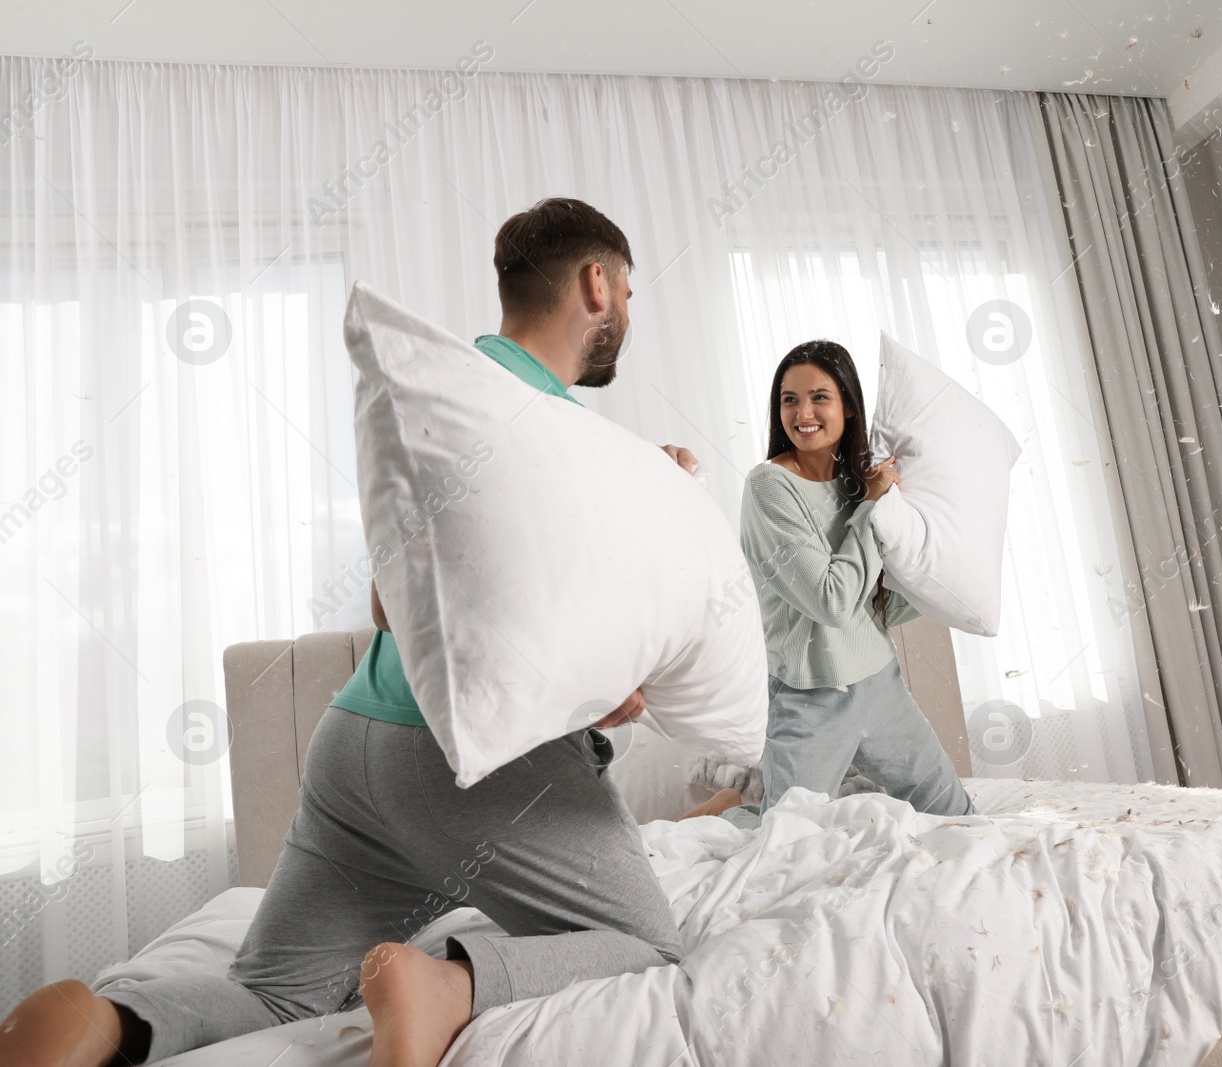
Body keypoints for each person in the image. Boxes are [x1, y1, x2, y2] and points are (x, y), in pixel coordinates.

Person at [0, 198, 702, 1067]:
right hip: (469, 763)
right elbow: (424, 603)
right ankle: (445, 984)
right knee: (651, 946)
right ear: (598, 282)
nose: (628, 312)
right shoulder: (543, 424)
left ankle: (108, 1022)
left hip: (357, 744)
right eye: (628, 289)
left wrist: (649, 505)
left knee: (273, 991)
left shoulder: (455, 394)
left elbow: (425, 596)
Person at [690, 340, 974, 827]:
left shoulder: (857, 481)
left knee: (957, 815)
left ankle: (749, 804)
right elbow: (832, 602)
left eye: (819, 397)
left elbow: (875, 601)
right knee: (783, 837)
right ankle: (725, 809)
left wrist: (940, 575)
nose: (803, 413)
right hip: (810, 695)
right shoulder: (768, 488)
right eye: (789, 399)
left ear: (847, 404)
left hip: (879, 680)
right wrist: (871, 508)